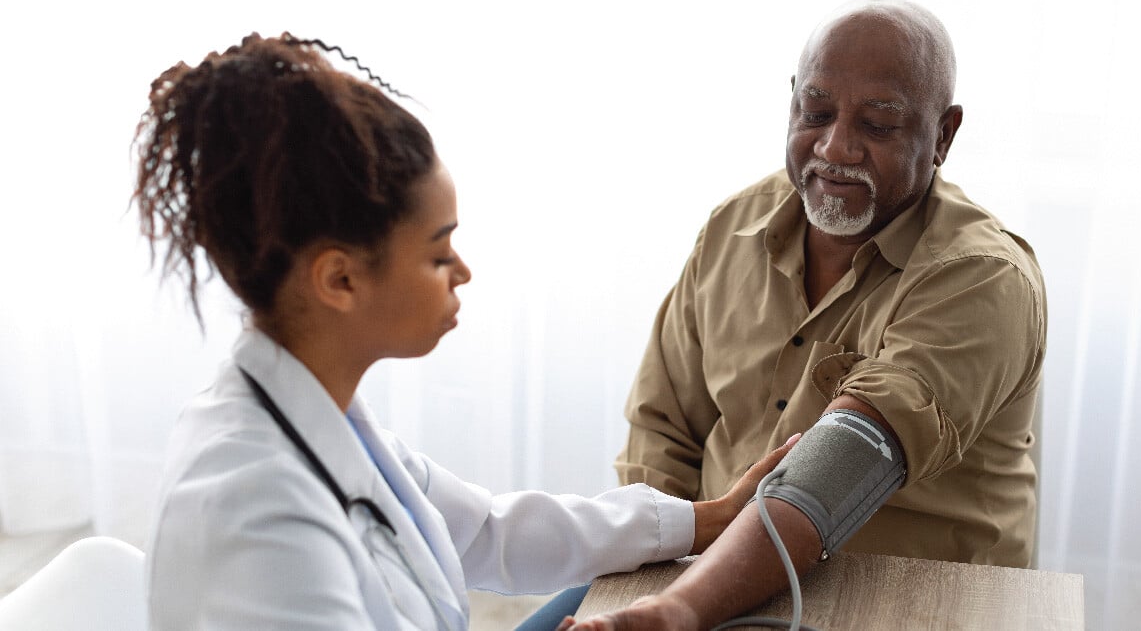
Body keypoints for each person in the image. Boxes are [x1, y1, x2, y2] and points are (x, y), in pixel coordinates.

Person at [131, 33, 796, 630]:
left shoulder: (320, 415)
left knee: (635, 593)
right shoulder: (258, 515)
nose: (464, 272)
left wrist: (707, 519)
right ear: (339, 281)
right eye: (439, 253)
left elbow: (488, 532)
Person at [563, 0, 1047, 629]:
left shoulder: (982, 277)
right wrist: (653, 578)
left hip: (905, 602)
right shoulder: (735, 226)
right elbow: (662, 428)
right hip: (701, 581)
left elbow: (843, 466)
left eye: (877, 125)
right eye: (815, 112)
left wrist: (677, 610)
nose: (836, 147)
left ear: (943, 136)